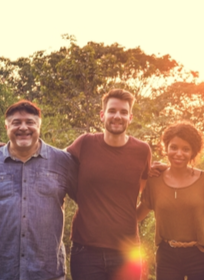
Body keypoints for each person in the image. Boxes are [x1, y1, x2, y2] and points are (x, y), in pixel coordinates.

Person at [0, 100, 78, 280]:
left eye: (30, 122)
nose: (23, 127)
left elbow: (89, 199)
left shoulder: (62, 162)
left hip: (48, 271)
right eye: (16, 123)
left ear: (39, 126)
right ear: (7, 127)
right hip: (0, 270)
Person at [68, 89, 152, 280]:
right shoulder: (85, 143)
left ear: (130, 117)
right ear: (102, 115)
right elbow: (53, 162)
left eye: (123, 112)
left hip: (127, 251)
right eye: (112, 110)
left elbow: (145, 194)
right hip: (86, 251)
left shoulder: (142, 150)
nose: (117, 116)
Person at [137, 122, 204, 280]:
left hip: (200, 255)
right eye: (174, 147)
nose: (179, 153)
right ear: (166, 148)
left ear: (193, 153)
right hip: (167, 255)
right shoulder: (154, 181)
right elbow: (137, 215)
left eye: (186, 149)